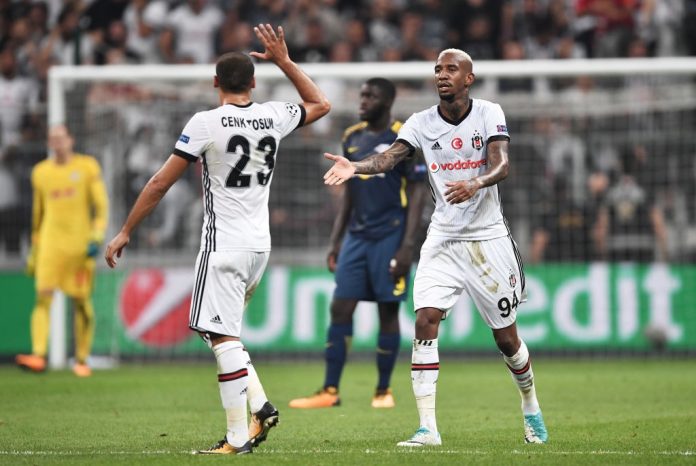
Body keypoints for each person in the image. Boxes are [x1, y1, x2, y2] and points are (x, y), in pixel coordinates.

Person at [104, 24, 330, 455]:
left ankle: (237, 437)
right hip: (260, 247)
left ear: (214, 82)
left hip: (223, 245)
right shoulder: (273, 115)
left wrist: (126, 230)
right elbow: (320, 103)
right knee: (219, 333)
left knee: (220, 336)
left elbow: (159, 183)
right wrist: (285, 61)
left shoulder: (205, 123)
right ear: (254, 82)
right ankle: (261, 406)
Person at [323, 48, 548, 446]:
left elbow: (502, 164)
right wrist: (355, 167)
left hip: (487, 238)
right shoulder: (420, 122)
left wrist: (476, 182)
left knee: (506, 340)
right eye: (438, 69)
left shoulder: (489, 112)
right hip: (442, 237)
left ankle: (530, 405)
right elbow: (389, 159)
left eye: (451, 69)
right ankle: (428, 428)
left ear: (468, 79)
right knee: (425, 318)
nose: (442, 75)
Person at [289, 78, 427, 409]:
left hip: (391, 235)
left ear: (387, 101)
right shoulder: (351, 136)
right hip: (356, 236)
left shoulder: (405, 137)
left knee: (387, 310)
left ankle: (383, 391)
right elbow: (349, 196)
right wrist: (336, 240)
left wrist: (408, 246)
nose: (362, 101)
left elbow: (418, 193)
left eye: (370, 96)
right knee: (340, 307)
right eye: (362, 95)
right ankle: (329, 390)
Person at [15, 124, 109, 378]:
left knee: (81, 302)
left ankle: (81, 359)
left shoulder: (87, 167)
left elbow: (101, 206)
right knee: (43, 297)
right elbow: (38, 212)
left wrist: (97, 234)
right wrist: (35, 247)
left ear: (71, 139)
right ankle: (38, 355)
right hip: (50, 245)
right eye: (52, 138)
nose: (57, 142)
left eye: (60, 137)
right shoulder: (40, 172)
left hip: (79, 247)